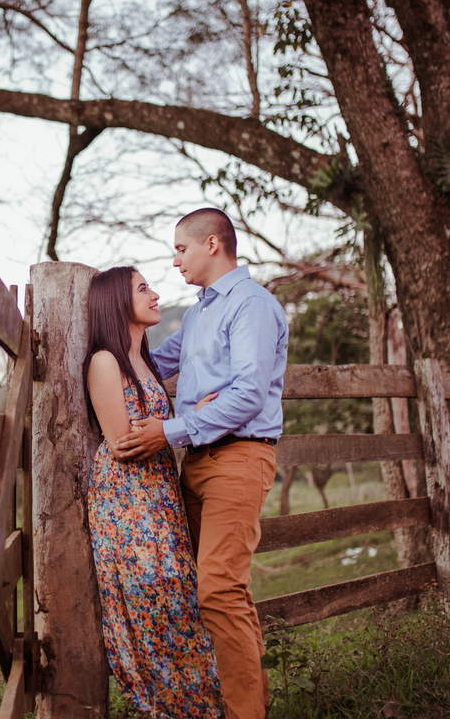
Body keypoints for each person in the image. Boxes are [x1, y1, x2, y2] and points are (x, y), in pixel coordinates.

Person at [116, 208, 288, 719]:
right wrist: (106, 341)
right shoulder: (196, 315)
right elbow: (153, 364)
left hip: (239, 456)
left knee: (217, 588)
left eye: (180, 249)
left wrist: (168, 430)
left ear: (212, 244)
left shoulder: (252, 305)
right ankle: (249, 705)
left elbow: (249, 393)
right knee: (215, 589)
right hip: (197, 461)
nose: (174, 262)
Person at [82, 266, 224, 718]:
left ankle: (198, 706)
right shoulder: (106, 361)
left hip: (159, 498)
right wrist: (181, 426)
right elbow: (123, 443)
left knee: (181, 599)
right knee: (155, 602)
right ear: (116, 303)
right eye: (143, 288)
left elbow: (156, 429)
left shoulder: (143, 358)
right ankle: (168, 707)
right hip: (128, 504)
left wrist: (180, 420)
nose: (156, 294)